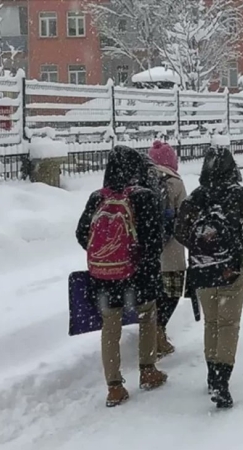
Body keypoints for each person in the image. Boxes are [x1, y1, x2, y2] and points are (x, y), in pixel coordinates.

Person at [175, 146, 243, 409]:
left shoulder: (196, 196)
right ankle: (221, 380)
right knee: (228, 324)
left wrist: (201, 246)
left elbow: (179, 230)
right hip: (233, 268)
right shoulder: (239, 194)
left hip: (202, 269)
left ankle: (212, 375)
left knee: (212, 323)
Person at [76, 145, 168, 408]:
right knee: (147, 317)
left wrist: (106, 254)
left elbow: (82, 233)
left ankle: (114, 387)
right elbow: (155, 239)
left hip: (104, 277)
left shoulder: (97, 198)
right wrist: (139, 259)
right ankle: (148, 370)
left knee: (110, 327)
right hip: (139, 275)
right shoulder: (144, 196)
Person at [148, 140, 188, 358]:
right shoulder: (175, 182)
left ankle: (150, 332)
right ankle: (159, 331)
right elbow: (186, 216)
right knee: (171, 293)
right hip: (171, 251)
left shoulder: (142, 180)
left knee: (152, 295)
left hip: (148, 251)